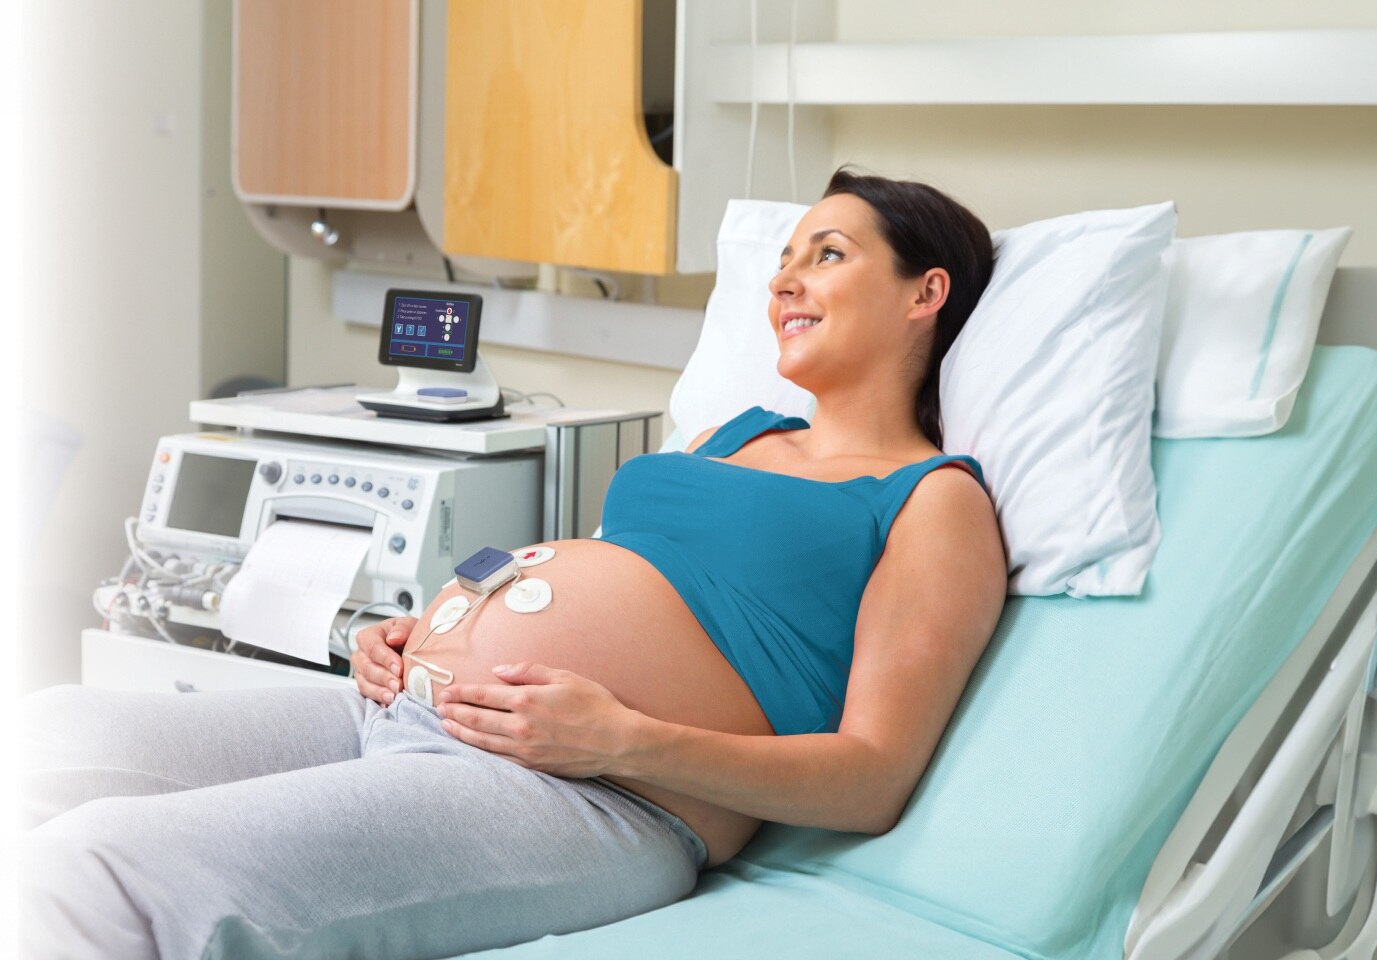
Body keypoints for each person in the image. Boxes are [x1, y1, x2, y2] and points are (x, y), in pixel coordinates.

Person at [18, 166, 1007, 960]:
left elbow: (872, 778)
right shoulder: (731, 435)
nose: (783, 282)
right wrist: (419, 632)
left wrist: (624, 741)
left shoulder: (931, 499)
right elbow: (606, 580)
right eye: (783, 259)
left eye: (827, 255)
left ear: (925, 292)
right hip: (398, 706)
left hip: (594, 798)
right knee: (39, 735)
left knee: (96, 872)